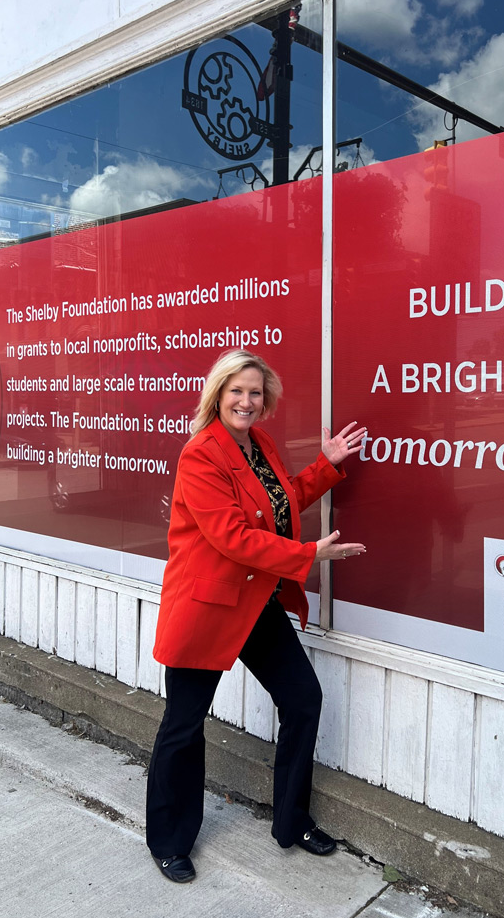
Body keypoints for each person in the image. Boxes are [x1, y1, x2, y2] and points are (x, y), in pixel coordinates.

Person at [146, 349, 366, 883]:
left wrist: (327, 464)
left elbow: (281, 505)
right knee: (184, 724)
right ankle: (169, 841)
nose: (247, 400)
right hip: (207, 607)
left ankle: (291, 821)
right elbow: (233, 538)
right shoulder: (200, 455)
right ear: (217, 395)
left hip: (256, 602)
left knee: (303, 699)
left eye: (255, 392)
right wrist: (310, 555)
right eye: (237, 391)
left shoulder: (259, 444)